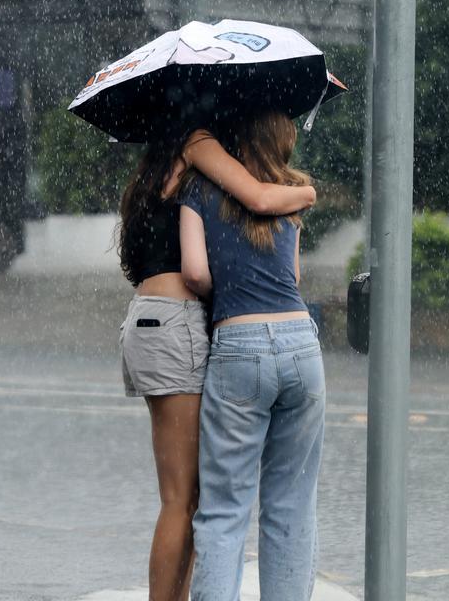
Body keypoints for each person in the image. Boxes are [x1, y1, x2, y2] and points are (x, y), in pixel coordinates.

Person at [117, 127, 316, 601]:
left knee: (184, 497)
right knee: (184, 500)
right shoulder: (196, 142)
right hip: (179, 321)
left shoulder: (156, 166)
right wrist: (305, 191)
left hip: (147, 317)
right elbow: (258, 197)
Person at [179, 110, 325, 601]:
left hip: (238, 343)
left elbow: (195, 272)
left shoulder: (198, 190)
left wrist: (230, 285)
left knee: (224, 509)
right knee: (291, 504)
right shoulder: (292, 195)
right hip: (301, 343)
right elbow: (296, 279)